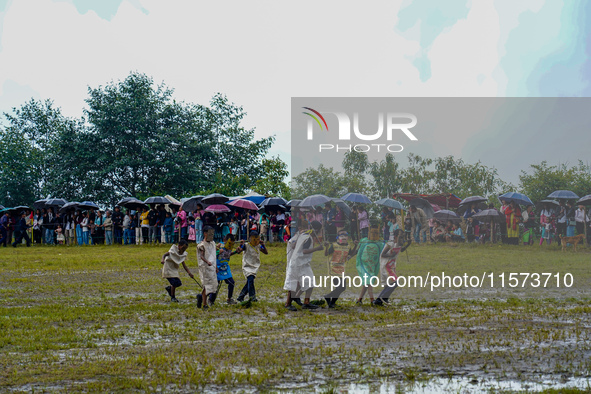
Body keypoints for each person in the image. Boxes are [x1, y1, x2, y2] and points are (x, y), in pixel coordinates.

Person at [284, 220, 324, 310]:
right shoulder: (308, 238)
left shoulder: (303, 235)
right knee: (295, 284)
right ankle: (288, 304)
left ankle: (306, 302)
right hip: (299, 264)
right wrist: (317, 248)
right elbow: (304, 251)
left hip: (301, 263)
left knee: (309, 282)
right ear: (316, 230)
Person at [373, 229, 412, 306]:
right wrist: (391, 255)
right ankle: (382, 298)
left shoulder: (399, 244)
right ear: (395, 237)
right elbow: (382, 254)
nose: (402, 239)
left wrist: (408, 244)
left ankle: (379, 300)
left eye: (403, 237)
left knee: (389, 284)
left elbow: (401, 250)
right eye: (400, 237)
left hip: (392, 267)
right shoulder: (390, 244)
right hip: (386, 266)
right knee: (395, 282)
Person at [323, 230, 358, 308]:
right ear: (338, 237)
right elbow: (326, 254)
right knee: (341, 287)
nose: (344, 237)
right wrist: (327, 247)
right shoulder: (334, 245)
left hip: (342, 268)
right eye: (341, 235)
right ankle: (329, 298)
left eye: (345, 235)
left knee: (341, 288)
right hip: (333, 268)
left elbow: (351, 253)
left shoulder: (348, 246)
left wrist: (356, 245)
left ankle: (331, 302)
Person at [234, 230, 268, 305]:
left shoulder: (259, 245)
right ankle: (252, 297)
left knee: (249, 282)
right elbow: (239, 251)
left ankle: (240, 297)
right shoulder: (246, 245)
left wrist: (263, 244)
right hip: (247, 266)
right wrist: (240, 245)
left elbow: (266, 252)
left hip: (255, 266)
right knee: (250, 280)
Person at [356, 223, 383, 304]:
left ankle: (359, 300)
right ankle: (372, 300)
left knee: (366, 283)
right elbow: (358, 251)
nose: (374, 234)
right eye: (372, 232)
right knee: (369, 281)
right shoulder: (364, 241)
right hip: (364, 265)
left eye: (376, 233)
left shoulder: (380, 243)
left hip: (372, 266)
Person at [197, 226, 218, 309]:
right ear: (205, 233)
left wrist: (215, 266)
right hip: (205, 268)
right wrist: (207, 262)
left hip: (212, 267)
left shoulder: (213, 243)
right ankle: (204, 304)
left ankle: (200, 297)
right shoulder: (202, 245)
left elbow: (213, 255)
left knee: (213, 286)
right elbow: (201, 256)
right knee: (207, 286)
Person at [217, 234, 238, 305]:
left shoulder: (230, 247)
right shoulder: (220, 245)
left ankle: (229, 298)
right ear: (225, 240)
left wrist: (235, 252)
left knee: (231, 282)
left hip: (225, 268)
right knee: (216, 285)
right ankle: (210, 299)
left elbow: (227, 254)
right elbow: (212, 254)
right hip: (218, 267)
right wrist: (217, 251)